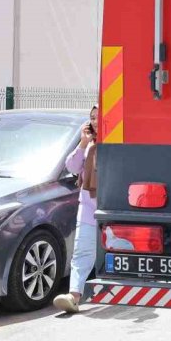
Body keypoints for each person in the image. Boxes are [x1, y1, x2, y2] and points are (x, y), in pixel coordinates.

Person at [53, 106, 98, 314]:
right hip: (88, 207)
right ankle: (74, 296)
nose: (95, 121)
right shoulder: (88, 145)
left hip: (113, 207)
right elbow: (71, 166)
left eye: (99, 117)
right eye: (92, 118)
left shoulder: (117, 143)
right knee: (82, 251)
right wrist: (83, 142)